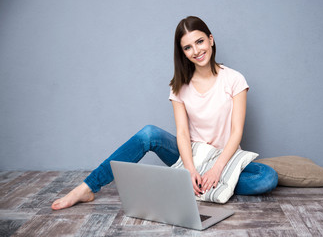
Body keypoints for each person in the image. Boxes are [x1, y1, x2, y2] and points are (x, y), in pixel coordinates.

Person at [51, 16, 278, 210]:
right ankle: (86, 188)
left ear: (211, 39)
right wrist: (190, 170)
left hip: (224, 158)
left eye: (200, 41)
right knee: (149, 133)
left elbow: (237, 131)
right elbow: (181, 132)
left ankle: (202, 183)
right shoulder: (179, 85)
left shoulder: (234, 79)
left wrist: (216, 169)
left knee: (267, 178)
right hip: (191, 155)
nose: (196, 51)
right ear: (182, 52)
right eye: (188, 47)